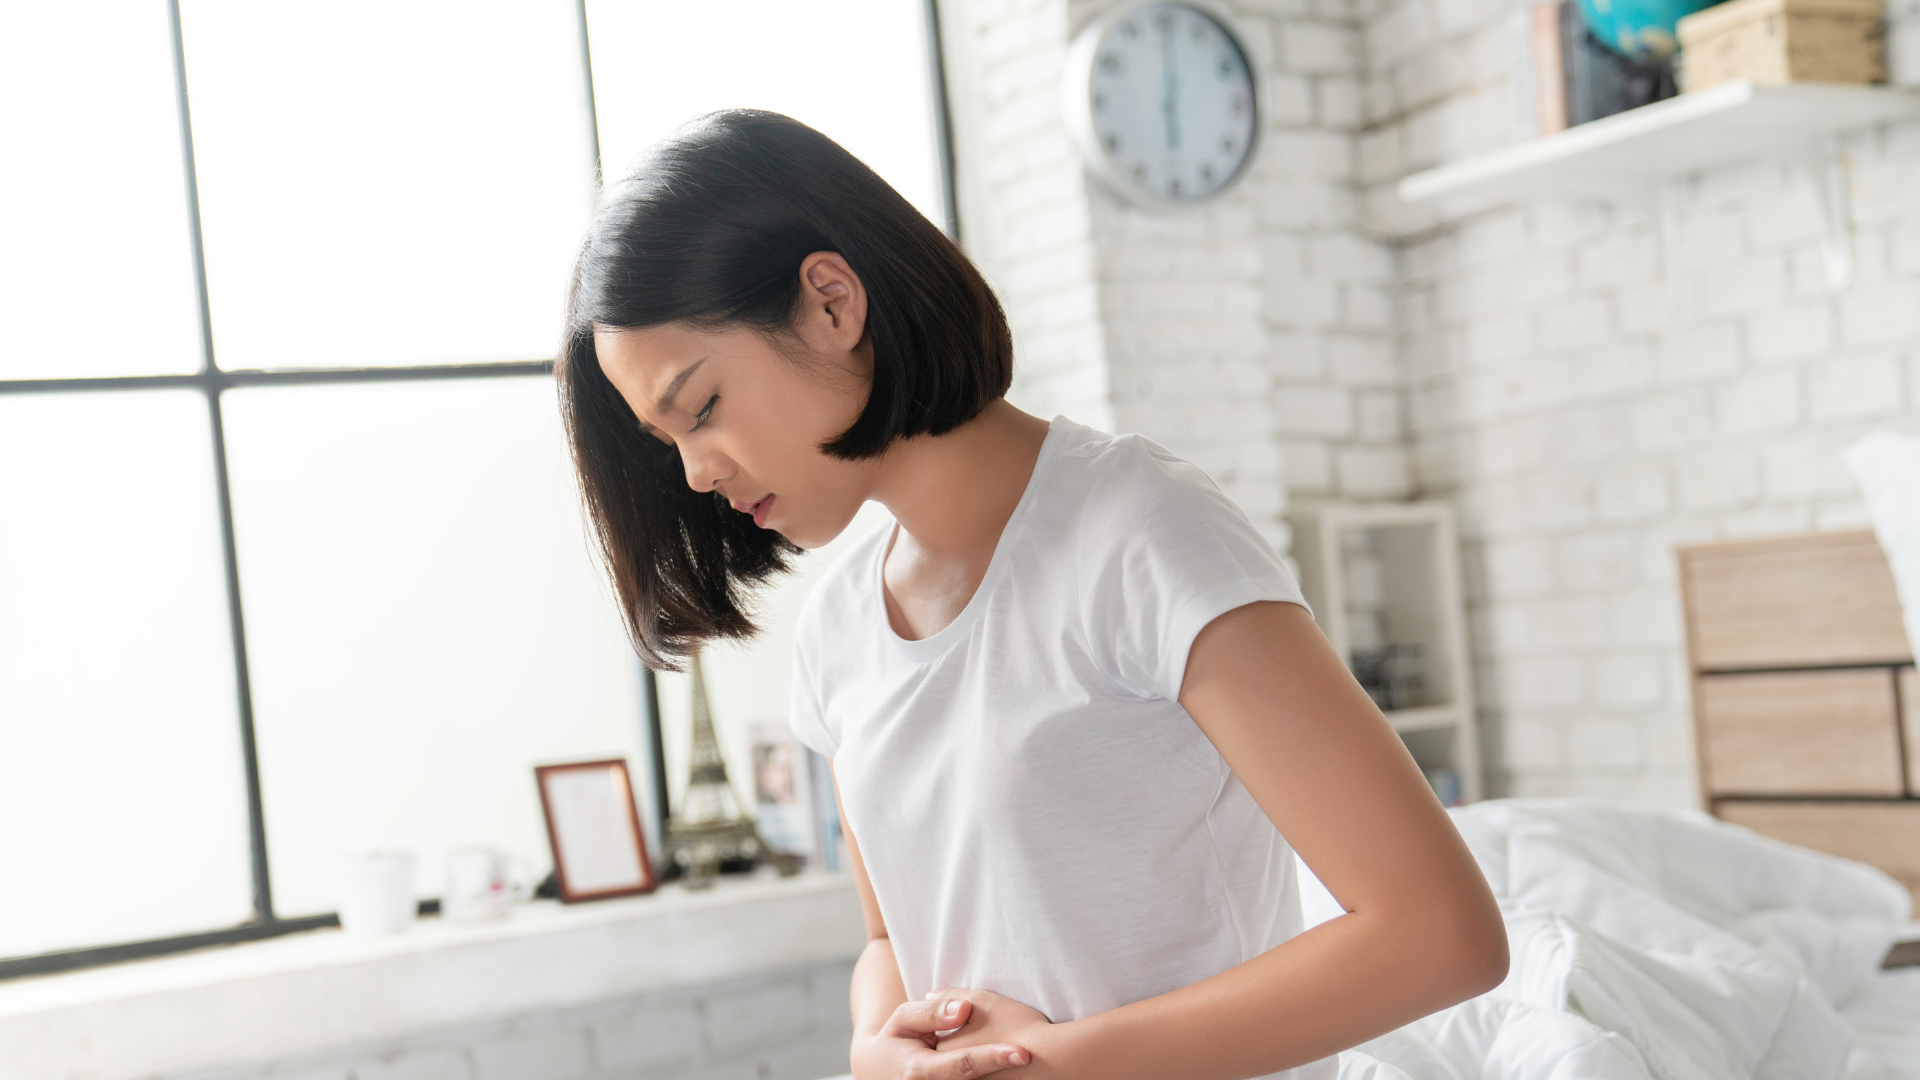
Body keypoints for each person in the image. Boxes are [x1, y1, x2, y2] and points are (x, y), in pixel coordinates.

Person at [557, 110, 1507, 1080]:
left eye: (701, 408)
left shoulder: (1139, 531)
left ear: (832, 304)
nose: (694, 476)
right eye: (665, 442)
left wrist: (1062, 1063)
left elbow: (1438, 934)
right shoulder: (838, 631)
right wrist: (877, 1043)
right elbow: (893, 943)